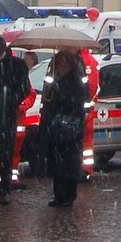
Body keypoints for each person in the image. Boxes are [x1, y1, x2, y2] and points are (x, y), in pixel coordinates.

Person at [0, 34, 30, 205]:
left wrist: (10, 99)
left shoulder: (16, 65)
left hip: (7, 116)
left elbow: (25, 88)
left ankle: (4, 188)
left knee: (5, 155)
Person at [40, 49, 87, 206]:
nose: (61, 66)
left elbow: (76, 102)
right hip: (55, 126)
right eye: (59, 63)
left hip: (70, 126)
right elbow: (47, 100)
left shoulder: (75, 81)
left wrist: (59, 97)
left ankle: (68, 195)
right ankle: (58, 194)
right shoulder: (55, 79)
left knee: (69, 162)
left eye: (64, 63)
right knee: (57, 163)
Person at [79, 47, 101, 181]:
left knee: (84, 142)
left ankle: (84, 169)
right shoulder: (89, 60)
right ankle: (84, 169)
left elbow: (92, 87)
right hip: (86, 110)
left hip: (84, 110)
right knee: (86, 144)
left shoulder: (85, 61)